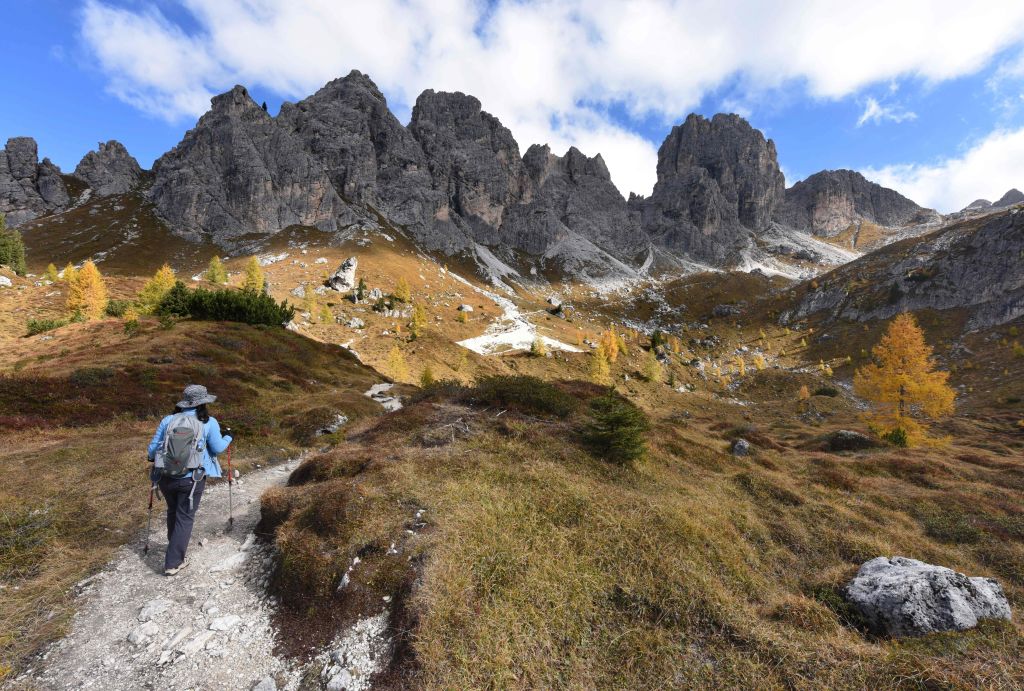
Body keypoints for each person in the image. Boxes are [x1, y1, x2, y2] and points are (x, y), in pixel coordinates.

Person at [147, 384, 232, 576]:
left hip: (165, 476)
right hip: (192, 478)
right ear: (203, 403)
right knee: (185, 517)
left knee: (174, 511)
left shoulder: (168, 420)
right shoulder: (208, 422)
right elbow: (218, 448)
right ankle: (173, 562)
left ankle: (174, 547)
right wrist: (229, 438)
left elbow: (151, 451)